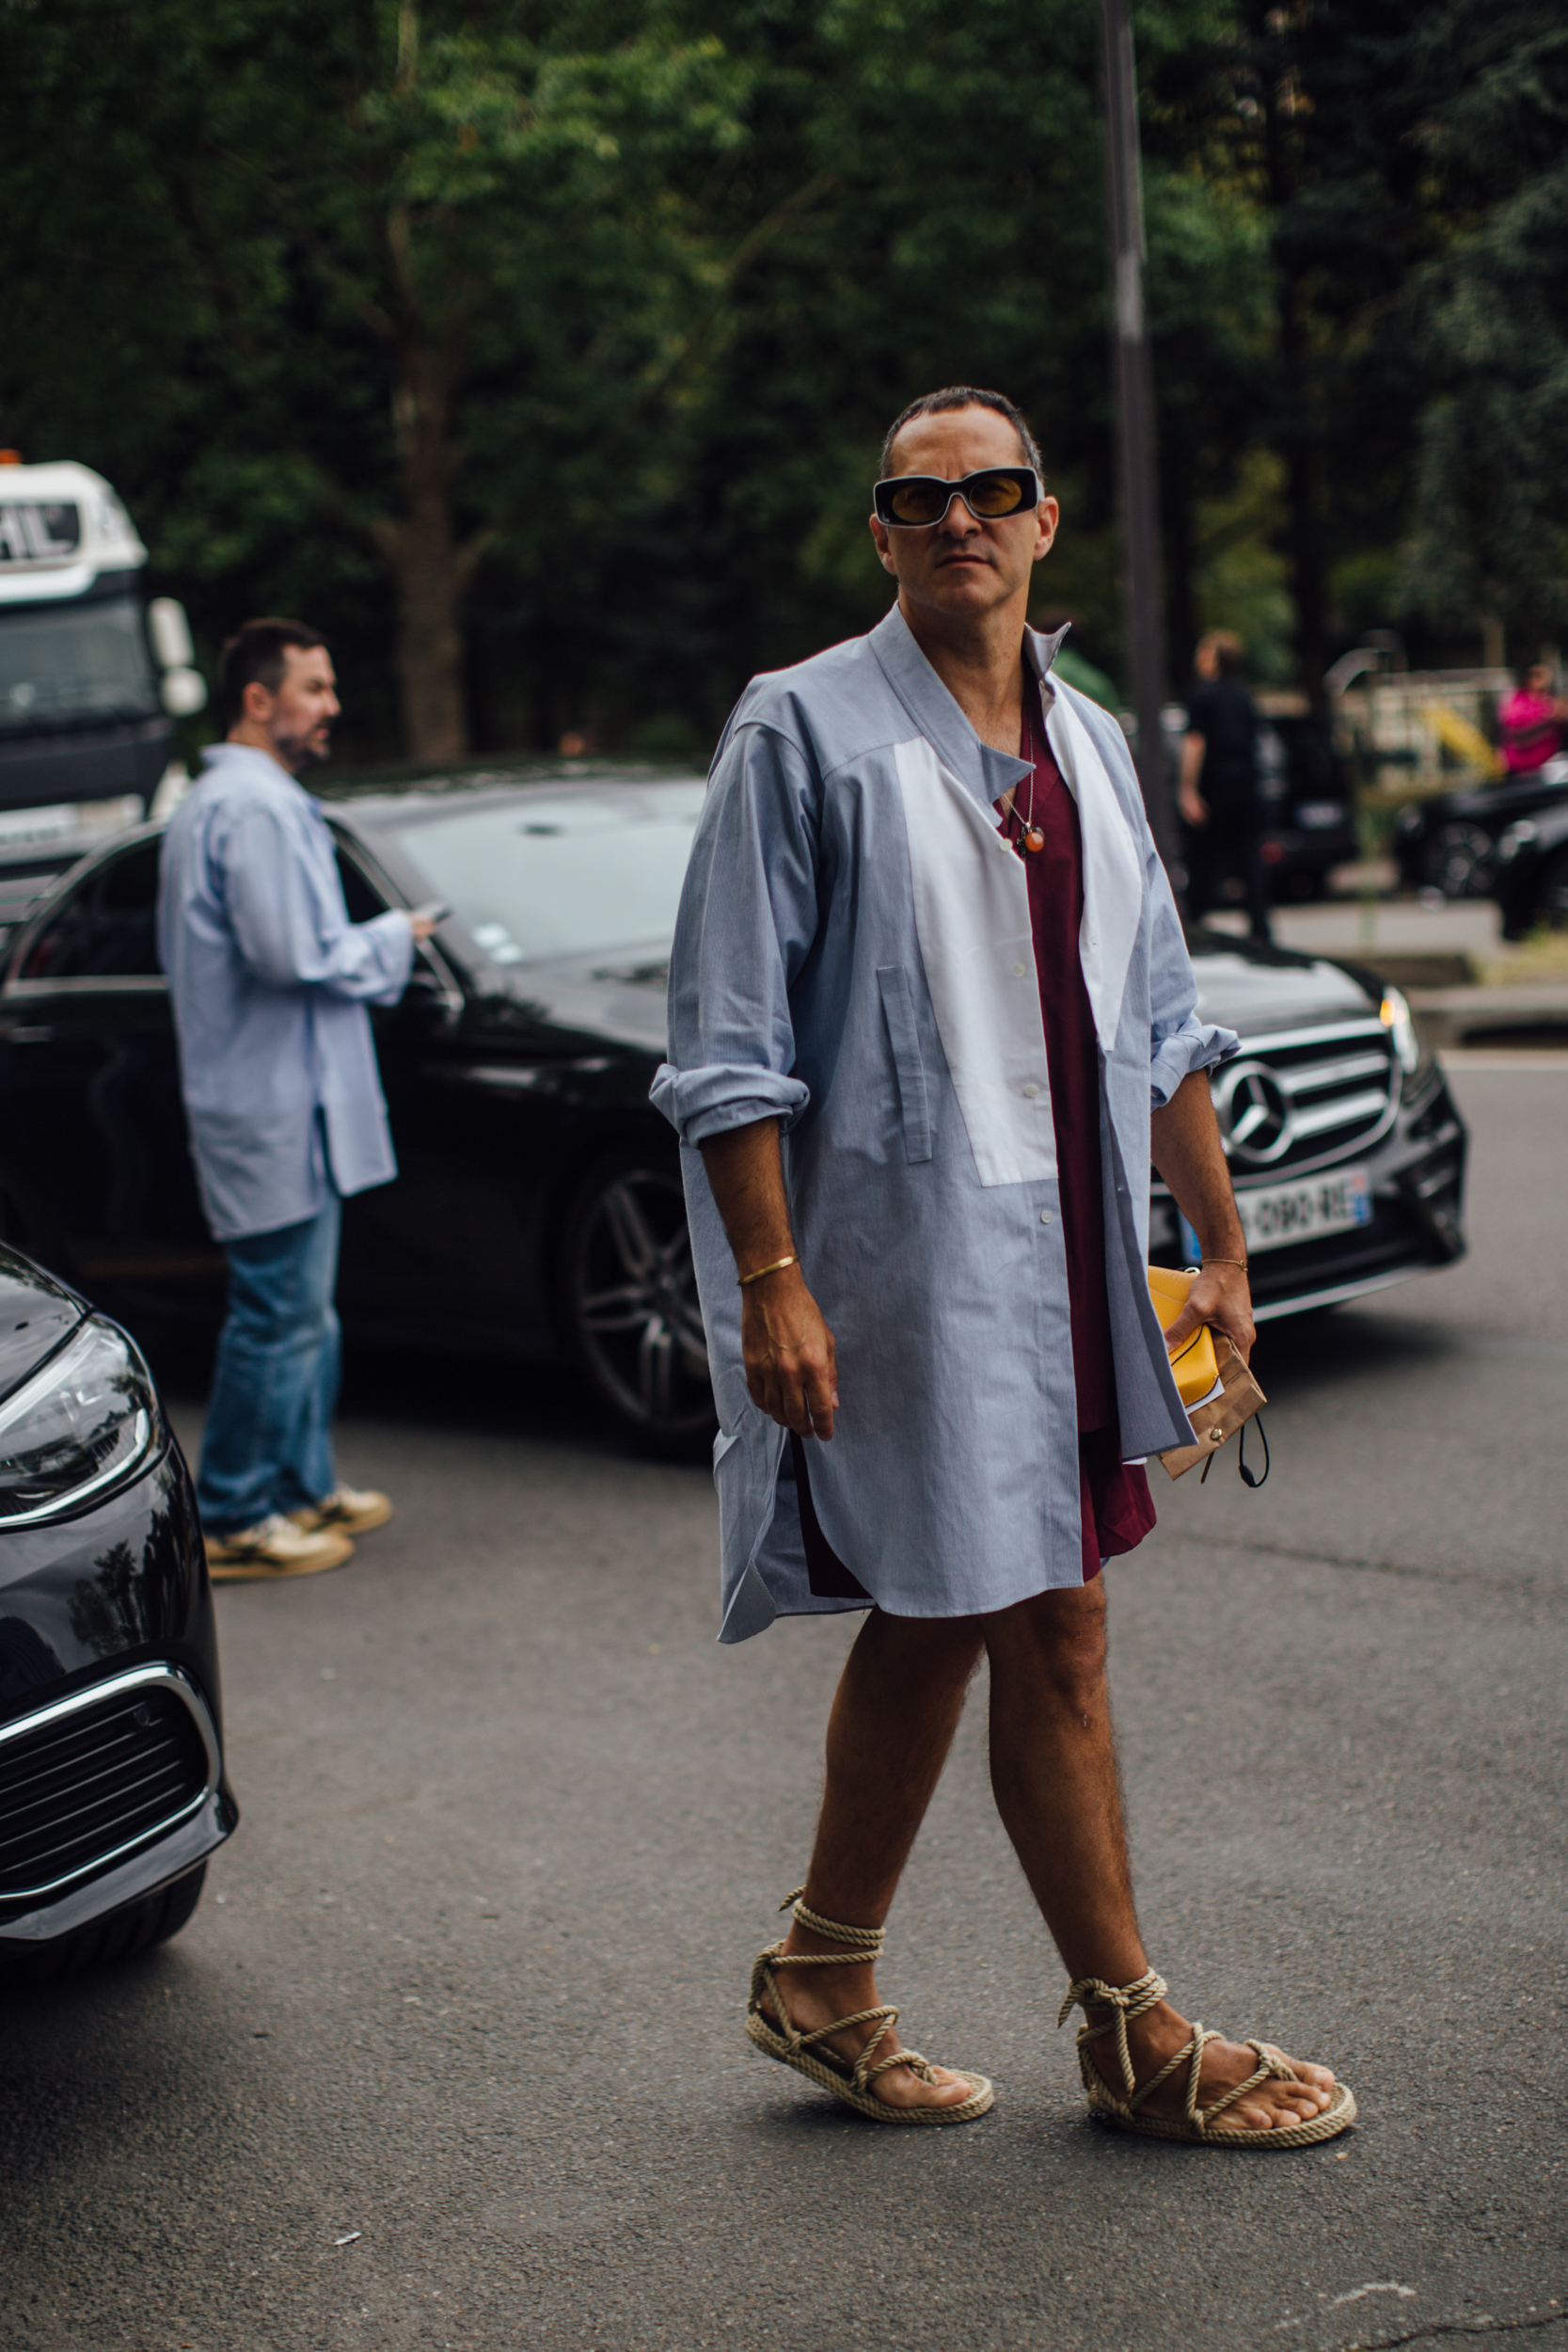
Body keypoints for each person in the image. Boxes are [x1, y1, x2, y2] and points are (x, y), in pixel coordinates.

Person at [653, 387, 1353, 2147]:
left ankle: (823, 1970)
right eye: (921, 495)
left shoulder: (1097, 742)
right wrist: (768, 1278)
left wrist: (1212, 1235)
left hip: (1075, 1263)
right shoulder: (797, 733)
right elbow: (727, 1044)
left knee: (972, 1605)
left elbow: (1160, 1015)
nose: (961, 516)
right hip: (910, 1272)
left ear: (1047, 523)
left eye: (996, 489)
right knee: (1038, 1610)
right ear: (880, 532)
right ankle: (1133, 2033)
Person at [157, 619, 438, 1581]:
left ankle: (300, 1482)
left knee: (302, 1310)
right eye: (313, 689)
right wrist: (394, 936)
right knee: (276, 1308)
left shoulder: (236, 802)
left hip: (280, 1098)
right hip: (269, 1100)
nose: (330, 706)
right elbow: (295, 958)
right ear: (256, 698)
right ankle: (235, 1509)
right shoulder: (255, 810)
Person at [1179, 630, 1273, 943]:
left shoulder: (1201, 695)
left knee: (1203, 859)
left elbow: (1195, 742)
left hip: (1214, 787)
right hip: (1245, 785)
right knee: (1249, 859)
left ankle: (1192, 926)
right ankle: (1260, 927)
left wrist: (1188, 788)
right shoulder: (1244, 696)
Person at [1497, 661, 1567, 775]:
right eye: (1538, 675)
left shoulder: (1549, 699)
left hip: (1548, 769)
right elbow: (1517, 736)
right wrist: (1548, 719)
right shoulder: (1518, 700)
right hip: (1521, 770)